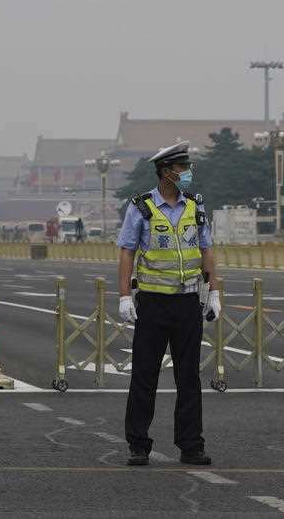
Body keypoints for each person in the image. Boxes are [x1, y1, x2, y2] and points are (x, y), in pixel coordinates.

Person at [116, 140, 221, 466]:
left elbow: (206, 250)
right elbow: (127, 252)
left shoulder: (195, 206)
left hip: (188, 301)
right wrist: (123, 295)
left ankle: (191, 445)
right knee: (144, 375)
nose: (188, 173)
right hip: (153, 302)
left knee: (189, 377)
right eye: (182, 168)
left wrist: (214, 292)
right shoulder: (142, 206)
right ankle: (138, 444)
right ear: (166, 172)